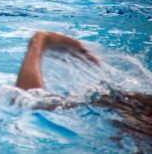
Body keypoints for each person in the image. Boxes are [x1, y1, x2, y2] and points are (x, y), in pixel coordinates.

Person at [15, 31, 152, 138]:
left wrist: (38, 43)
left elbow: (27, 102)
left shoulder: (139, 110)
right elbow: (30, 103)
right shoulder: (137, 107)